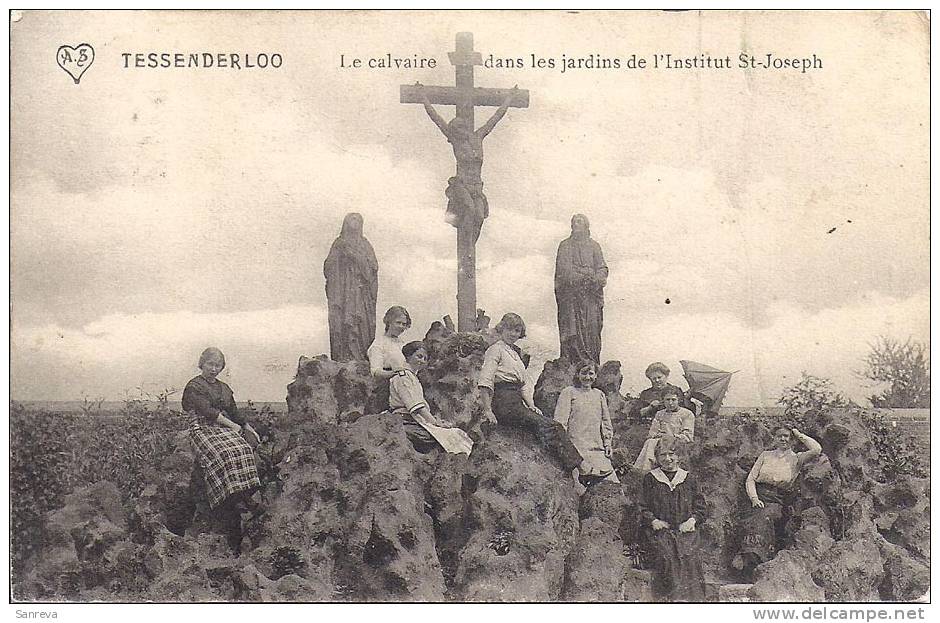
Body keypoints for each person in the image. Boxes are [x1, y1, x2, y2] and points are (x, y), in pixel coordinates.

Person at [478, 312, 583, 471]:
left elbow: (523, 385)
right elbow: (485, 380)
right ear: (502, 328)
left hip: (515, 401)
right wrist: (487, 410)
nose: (513, 334)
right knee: (553, 426)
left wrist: (531, 405)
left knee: (544, 423)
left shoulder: (514, 353)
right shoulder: (495, 350)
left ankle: (565, 468)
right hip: (503, 402)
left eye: (517, 331)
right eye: (510, 329)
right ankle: (581, 468)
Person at [182, 347, 261, 552]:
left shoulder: (224, 388)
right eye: (210, 364)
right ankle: (226, 494)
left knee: (242, 447)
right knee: (223, 453)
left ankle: (243, 495)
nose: (213, 369)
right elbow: (207, 411)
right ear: (202, 364)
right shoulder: (194, 386)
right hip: (201, 428)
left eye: (217, 366)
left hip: (221, 427)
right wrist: (232, 426)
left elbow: (233, 411)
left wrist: (247, 427)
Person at [420, 84, 520, 244]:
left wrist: (509, 98)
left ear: (465, 127)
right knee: (469, 208)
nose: (458, 131)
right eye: (455, 129)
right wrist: (424, 99)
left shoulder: (478, 136)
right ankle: (466, 249)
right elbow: (437, 119)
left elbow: (495, 117)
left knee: (479, 216)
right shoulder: (455, 141)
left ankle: (469, 247)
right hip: (461, 184)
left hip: (476, 186)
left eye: (460, 127)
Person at [733, 426, 823, 573]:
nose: (783, 439)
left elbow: (817, 449)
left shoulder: (796, 458)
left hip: (777, 500)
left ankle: (758, 559)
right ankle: (747, 558)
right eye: (780, 436)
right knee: (748, 520)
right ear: (774, 438)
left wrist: (798, 433)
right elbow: (750, 479)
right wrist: (754, 498)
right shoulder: (765, 455)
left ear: (791, 440)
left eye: (787, 436)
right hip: (757, 497)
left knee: (764, 517)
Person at [637, 435, 707, 602]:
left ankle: (694, 601)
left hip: (685, 530)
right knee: (667, 555)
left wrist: (692, 520)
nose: (667, 459)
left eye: (671, 454)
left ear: (679, 456)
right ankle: (671, 601)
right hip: (660, 530)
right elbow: (641, 506)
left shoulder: (688, 478)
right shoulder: (651, 478)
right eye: (663, 455)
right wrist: (653, 521)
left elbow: (701, 507)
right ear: (657, 457)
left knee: (689, 555)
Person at [389, 341, 473, 455]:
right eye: (419, 356)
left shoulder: (412, 377)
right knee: (438, 438)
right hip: (404, 420)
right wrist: (435, 423)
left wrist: (437, 422)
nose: (422, 361)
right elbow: (416, 406)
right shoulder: (403, 376)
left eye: (425, 358)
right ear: (408, 356)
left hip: (416, 420)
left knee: (453, 433)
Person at [323, 213, 379, 362]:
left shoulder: (365, 245)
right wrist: (340, 255)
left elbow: (373, 268)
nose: (354, 222)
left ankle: (360, 357)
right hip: (342, 294)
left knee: (359, 324)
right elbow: (328, 268)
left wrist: (355, 257)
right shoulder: (338, 243)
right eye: (351, 219)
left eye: (357, 219)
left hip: (360, 294)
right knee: (342, 324)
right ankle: (342, 357)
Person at [553, 360, 618, 487]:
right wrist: (567, 451)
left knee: (612, 487)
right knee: (581, 491)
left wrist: (608, 444)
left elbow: (606, 422)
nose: (587, 377)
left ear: (595, 376)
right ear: (577, 374)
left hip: (597, 451)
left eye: (591, 373)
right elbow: (560, 424)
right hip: (577, 451)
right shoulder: (569, 392)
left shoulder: (599, 395)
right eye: (583, 373)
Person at [554, 213, 609, 363]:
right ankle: (572, 361)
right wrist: (583, 277)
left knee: (592, 329)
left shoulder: (594, 246)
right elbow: (564, 270)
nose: (576, 224)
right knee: (572, 330)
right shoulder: (565, 245)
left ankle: (592, 363)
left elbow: (602, 268)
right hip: (572, 297)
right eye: (574, 222)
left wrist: (596, 278)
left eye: (580, 222)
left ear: (586, 225)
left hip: (591, 296)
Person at [633, 386, 695, 472]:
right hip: (660, 443)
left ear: (679, 400)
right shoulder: (660, 414)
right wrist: (657, 436)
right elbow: (652, 433)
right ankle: (644, 471)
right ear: (663, 400)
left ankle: (643, 470)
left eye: (673, 400)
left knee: (651, 443)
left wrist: (668, 436)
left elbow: (687, 436)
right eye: (667, 400)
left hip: (677, 443)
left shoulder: (687, 414)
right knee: (650, 442)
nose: (670, 403)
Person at [366, 306, 412, 413]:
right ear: (389, 322)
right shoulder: (379, 344)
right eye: (398, 322)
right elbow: (376, 371)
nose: (401, 326)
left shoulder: (403, 343)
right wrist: (394, 374)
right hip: (388, 389)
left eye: (404, 324)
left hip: (407, 384)